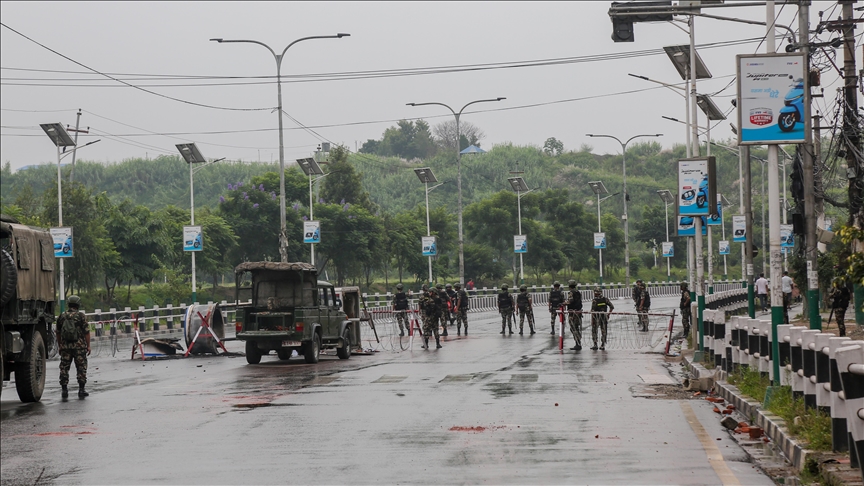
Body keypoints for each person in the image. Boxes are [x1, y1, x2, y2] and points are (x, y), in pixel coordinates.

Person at [57, 295, 91, 398]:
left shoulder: (62, 317)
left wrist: (60, 346)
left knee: (64, 367)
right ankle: (81, 390)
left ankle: (64, 390)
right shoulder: (81, 316)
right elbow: (86, 332)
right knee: (81, 367)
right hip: (79, 347)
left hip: (65, 347)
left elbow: (58, 332)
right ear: (78, 304)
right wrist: (88, 346)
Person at [566, 280, 583, 350]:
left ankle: (577, 343)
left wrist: (563, 303)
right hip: (578, 312)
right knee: (576, 328)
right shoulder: (578, 292)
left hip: (572, 313)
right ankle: (578, 342)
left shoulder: (571, 293)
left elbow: (570, 301)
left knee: (573, 328)